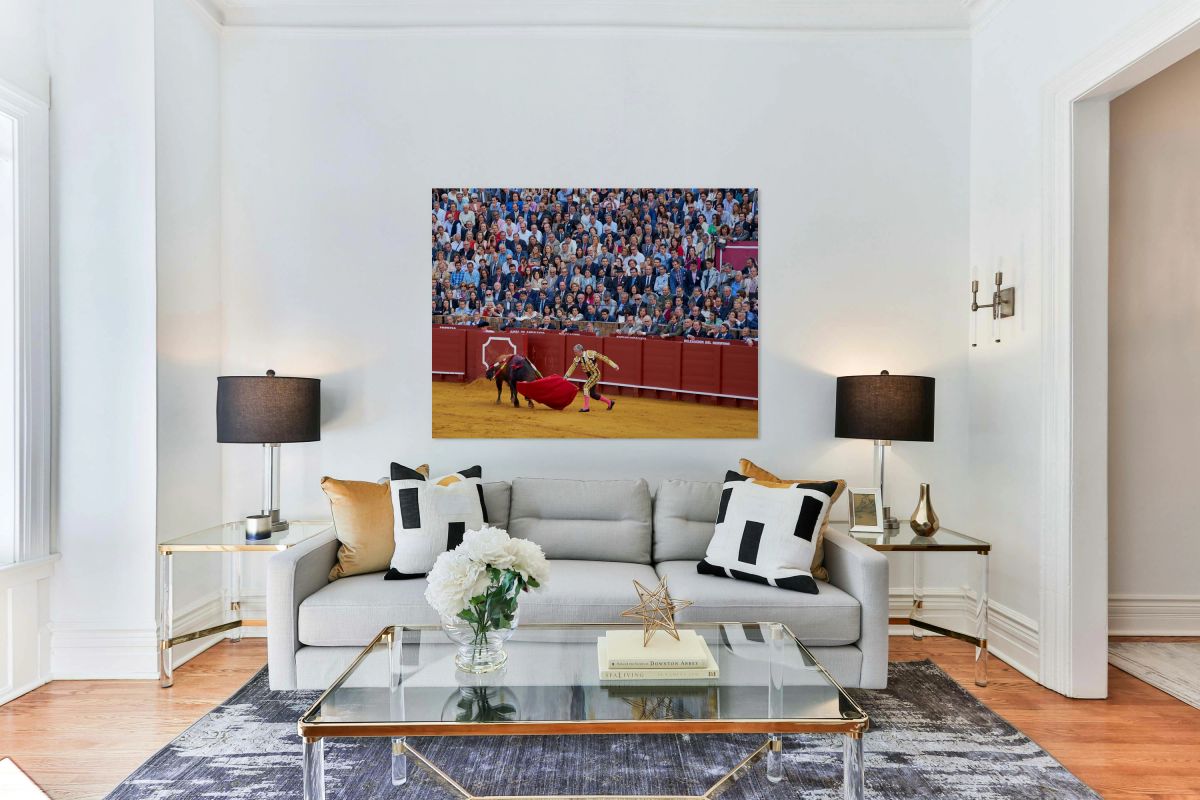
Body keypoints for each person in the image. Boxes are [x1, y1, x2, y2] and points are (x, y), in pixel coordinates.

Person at [563, 343, 619, 412]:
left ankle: (586, 407)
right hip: (590, 376)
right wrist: (566, 376)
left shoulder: (590, 353)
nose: (574, 353)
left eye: (575, 352)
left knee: (586, 387)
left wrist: (614, 365)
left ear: (580, 351)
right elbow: (572, 367)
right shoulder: (577, 358)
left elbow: (603, 358)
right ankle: (610, 402)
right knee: (592, 394)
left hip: (595, 374)